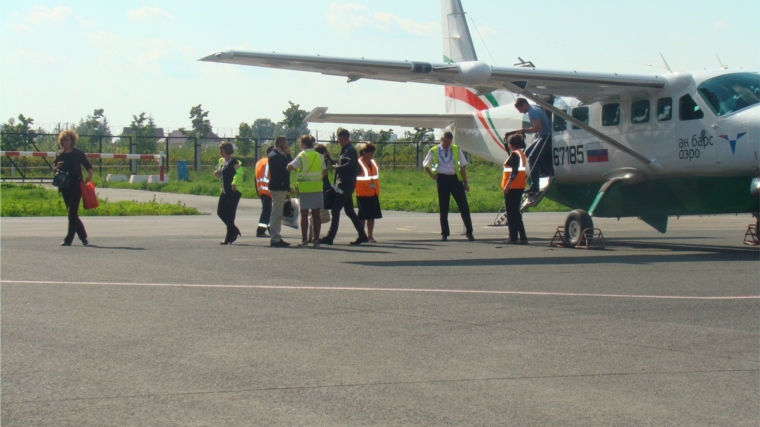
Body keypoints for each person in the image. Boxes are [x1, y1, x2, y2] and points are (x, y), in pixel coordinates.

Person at [320, 128, 369, 246]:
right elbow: (342, 164)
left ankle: (330, 237)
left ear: (342, 138)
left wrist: (339, 168)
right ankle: (362, 235)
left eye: (338, 138)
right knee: (349, 211)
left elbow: (350, 165)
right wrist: (331, 159)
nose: (338, 141)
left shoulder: (350, 150)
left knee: (336, 210)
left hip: (345, 185)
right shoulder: (346, 150)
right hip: (345, 184)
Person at [423, 131, 474, 241]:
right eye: (446, 141)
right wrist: (433, 176)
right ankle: (444, 233)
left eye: (449, 142)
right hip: (443, 179)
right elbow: (426, 165)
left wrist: (465, 182)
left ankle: (469, 232)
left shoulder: (456, 149)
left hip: (455, 179)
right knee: (444, 207)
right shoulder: (434, 151)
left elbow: (463, 167)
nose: (447, 144)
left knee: (464, 206)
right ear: (442, 139)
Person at [52, 130, 93, 246]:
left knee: (72, 212)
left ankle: (68, 239)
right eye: (64, 140)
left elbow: (87, 165)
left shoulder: (78, 153)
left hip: (76, 184)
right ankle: (83, 237)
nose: (66, 142)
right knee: (72, 213)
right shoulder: (60, 154)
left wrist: (90, 175)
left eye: (68, 140)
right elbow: (54, 169)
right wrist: (57, 167)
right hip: (65, 185)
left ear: (72, 141)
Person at [287, 135, 327, 248]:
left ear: (303, 145)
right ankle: (317, 240)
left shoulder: (301, 156)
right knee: (316, 215)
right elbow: (325, 172)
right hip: (317, 188)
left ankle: (304, 240)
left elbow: (289, 167)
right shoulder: (319, 156)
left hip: (304, 189)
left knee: (304, 215)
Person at [513, 97, 552, 195]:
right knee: (528, 152)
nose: (520, 112)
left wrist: (524, 130)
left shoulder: (532, 112)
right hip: (542, 135)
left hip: (546, 136)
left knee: (532, 157)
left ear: (525, 105)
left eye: (520, 109)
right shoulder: (534, 108)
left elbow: (538, 128)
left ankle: (535, 186)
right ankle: (545, 169)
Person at [213, 141, 244, 244]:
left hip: (234, 191)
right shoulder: (222, 161)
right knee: (220, 212)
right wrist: (218, 173)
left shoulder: (233, 162)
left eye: (221, 150)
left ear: (226, 150)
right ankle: (234, 230)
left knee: (230, 214)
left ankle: (229, 236)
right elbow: (224, 174)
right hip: (225, 190)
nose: (219, 152)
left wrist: (234, 183)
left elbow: (240, 173)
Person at [502, 134, 529, 244]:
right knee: (515, 213)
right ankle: (522, 236)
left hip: (513, 187)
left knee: (511, 213)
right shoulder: (520, 153)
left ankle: (513, 237)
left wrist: (507, 185)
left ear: (511, 145)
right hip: (519, 185)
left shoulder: (514, 154)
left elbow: (514, 171)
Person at [268, 136, 293, 247]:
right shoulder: (275, 156)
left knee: (277, 213)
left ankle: (276, 237)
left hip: (281, 187)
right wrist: (288, 154)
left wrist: (288, 188)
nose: (287, 146)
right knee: (276, 214)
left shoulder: (277, 155)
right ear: (282, 144)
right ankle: (275, 238)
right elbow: (288, 167)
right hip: (278, 188)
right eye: (286, 144)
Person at [356, 142, 382, 243]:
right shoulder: (358, 163)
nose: (371, 154)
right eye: (369, 152)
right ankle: (362, 235)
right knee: (362, 216)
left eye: (372, 152)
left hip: (373, 192)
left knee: (371, 216)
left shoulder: (374, 162)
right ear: (363, 152)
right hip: (362, 193)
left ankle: (370, 236)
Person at [254, 146, 275, 237]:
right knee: (267, 210)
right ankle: (261, 230)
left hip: (261, 189)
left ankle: (271, 229)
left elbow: (255, 178)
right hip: (269, 189)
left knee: (268, 210)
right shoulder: (271, 162)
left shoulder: (259, 162)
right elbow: (273, 176)